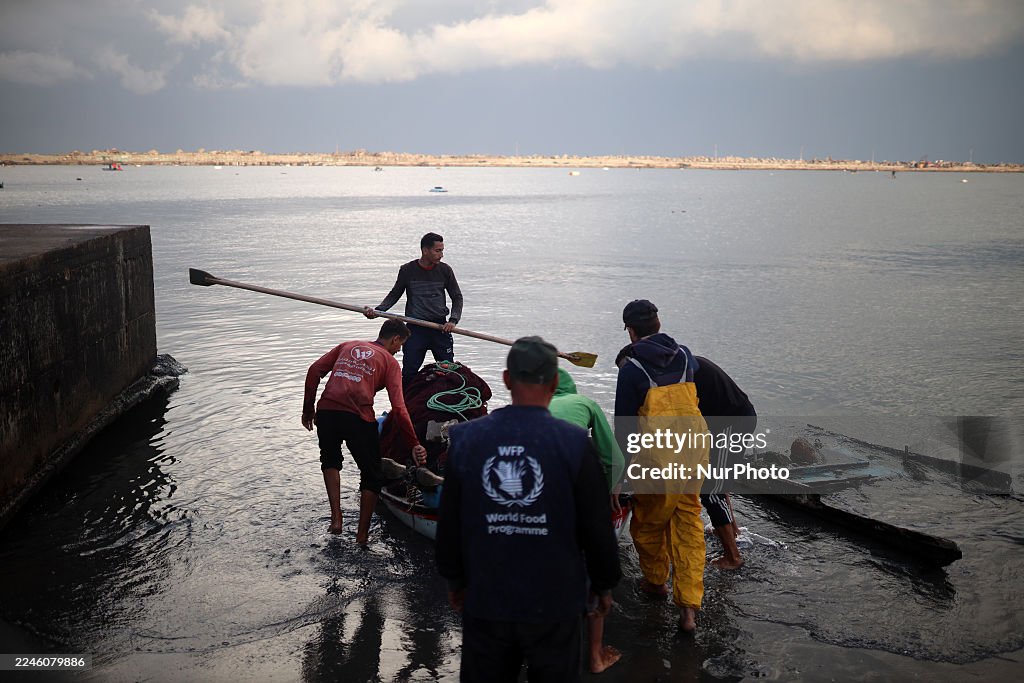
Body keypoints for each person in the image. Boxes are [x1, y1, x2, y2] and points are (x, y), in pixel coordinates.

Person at [436, 337, 621, 682]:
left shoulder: (466, 439)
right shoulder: (575, 443)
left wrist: (455, 579)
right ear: (554, 383)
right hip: (556, 604)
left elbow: (451, 523)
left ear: (506, 380)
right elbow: (597, 526)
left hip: (487, 598)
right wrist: (604, 584)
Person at [614, 300, 709, 633]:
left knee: (649, 524)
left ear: (631, 329)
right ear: (659, 323)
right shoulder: (685, 356)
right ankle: (689, 610)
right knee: (689, 525)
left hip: (658, 459)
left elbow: (624, 430)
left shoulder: (631, 370)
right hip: (694, 450)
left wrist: (619, 478)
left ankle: (657, 584)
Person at [302, 319, 427, 543]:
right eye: (400, 346)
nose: (399, 351)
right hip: (358, 417)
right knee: (372, 475)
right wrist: (414, 443)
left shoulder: (347, 345)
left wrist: (308, 409)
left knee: (330, 460)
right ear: (395, 339)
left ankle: (336, 519)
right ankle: (361, 536)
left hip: (327, 411)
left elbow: (314, 371)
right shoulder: (389, 362)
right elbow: (399, 408)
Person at [548, 365, 625, 674]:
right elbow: (614, 459)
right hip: (575, 498)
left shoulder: (528, 408)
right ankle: (594, 657)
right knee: (593, 577)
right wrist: (610, 490)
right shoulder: (586, 404)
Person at [364, 232, 464, 386]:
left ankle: (447, 406)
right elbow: (394, 294)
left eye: (442, 250)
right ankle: (404, 408)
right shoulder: (407, 270)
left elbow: (457, 297)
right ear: (425, 251)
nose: (441, 255)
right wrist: (378, 312)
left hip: (440, 328)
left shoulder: (445, 270)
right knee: (409, 373)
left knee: (448, 373)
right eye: (438, 251)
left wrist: (453, 320)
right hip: (415, 329)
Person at [692, 355, 756, 570]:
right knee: (717, 479)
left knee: (710, 489)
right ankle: (734, 531)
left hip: (732, 423)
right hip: (734, 418)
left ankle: (733, 558)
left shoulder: (678, 373)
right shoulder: (685, 362)